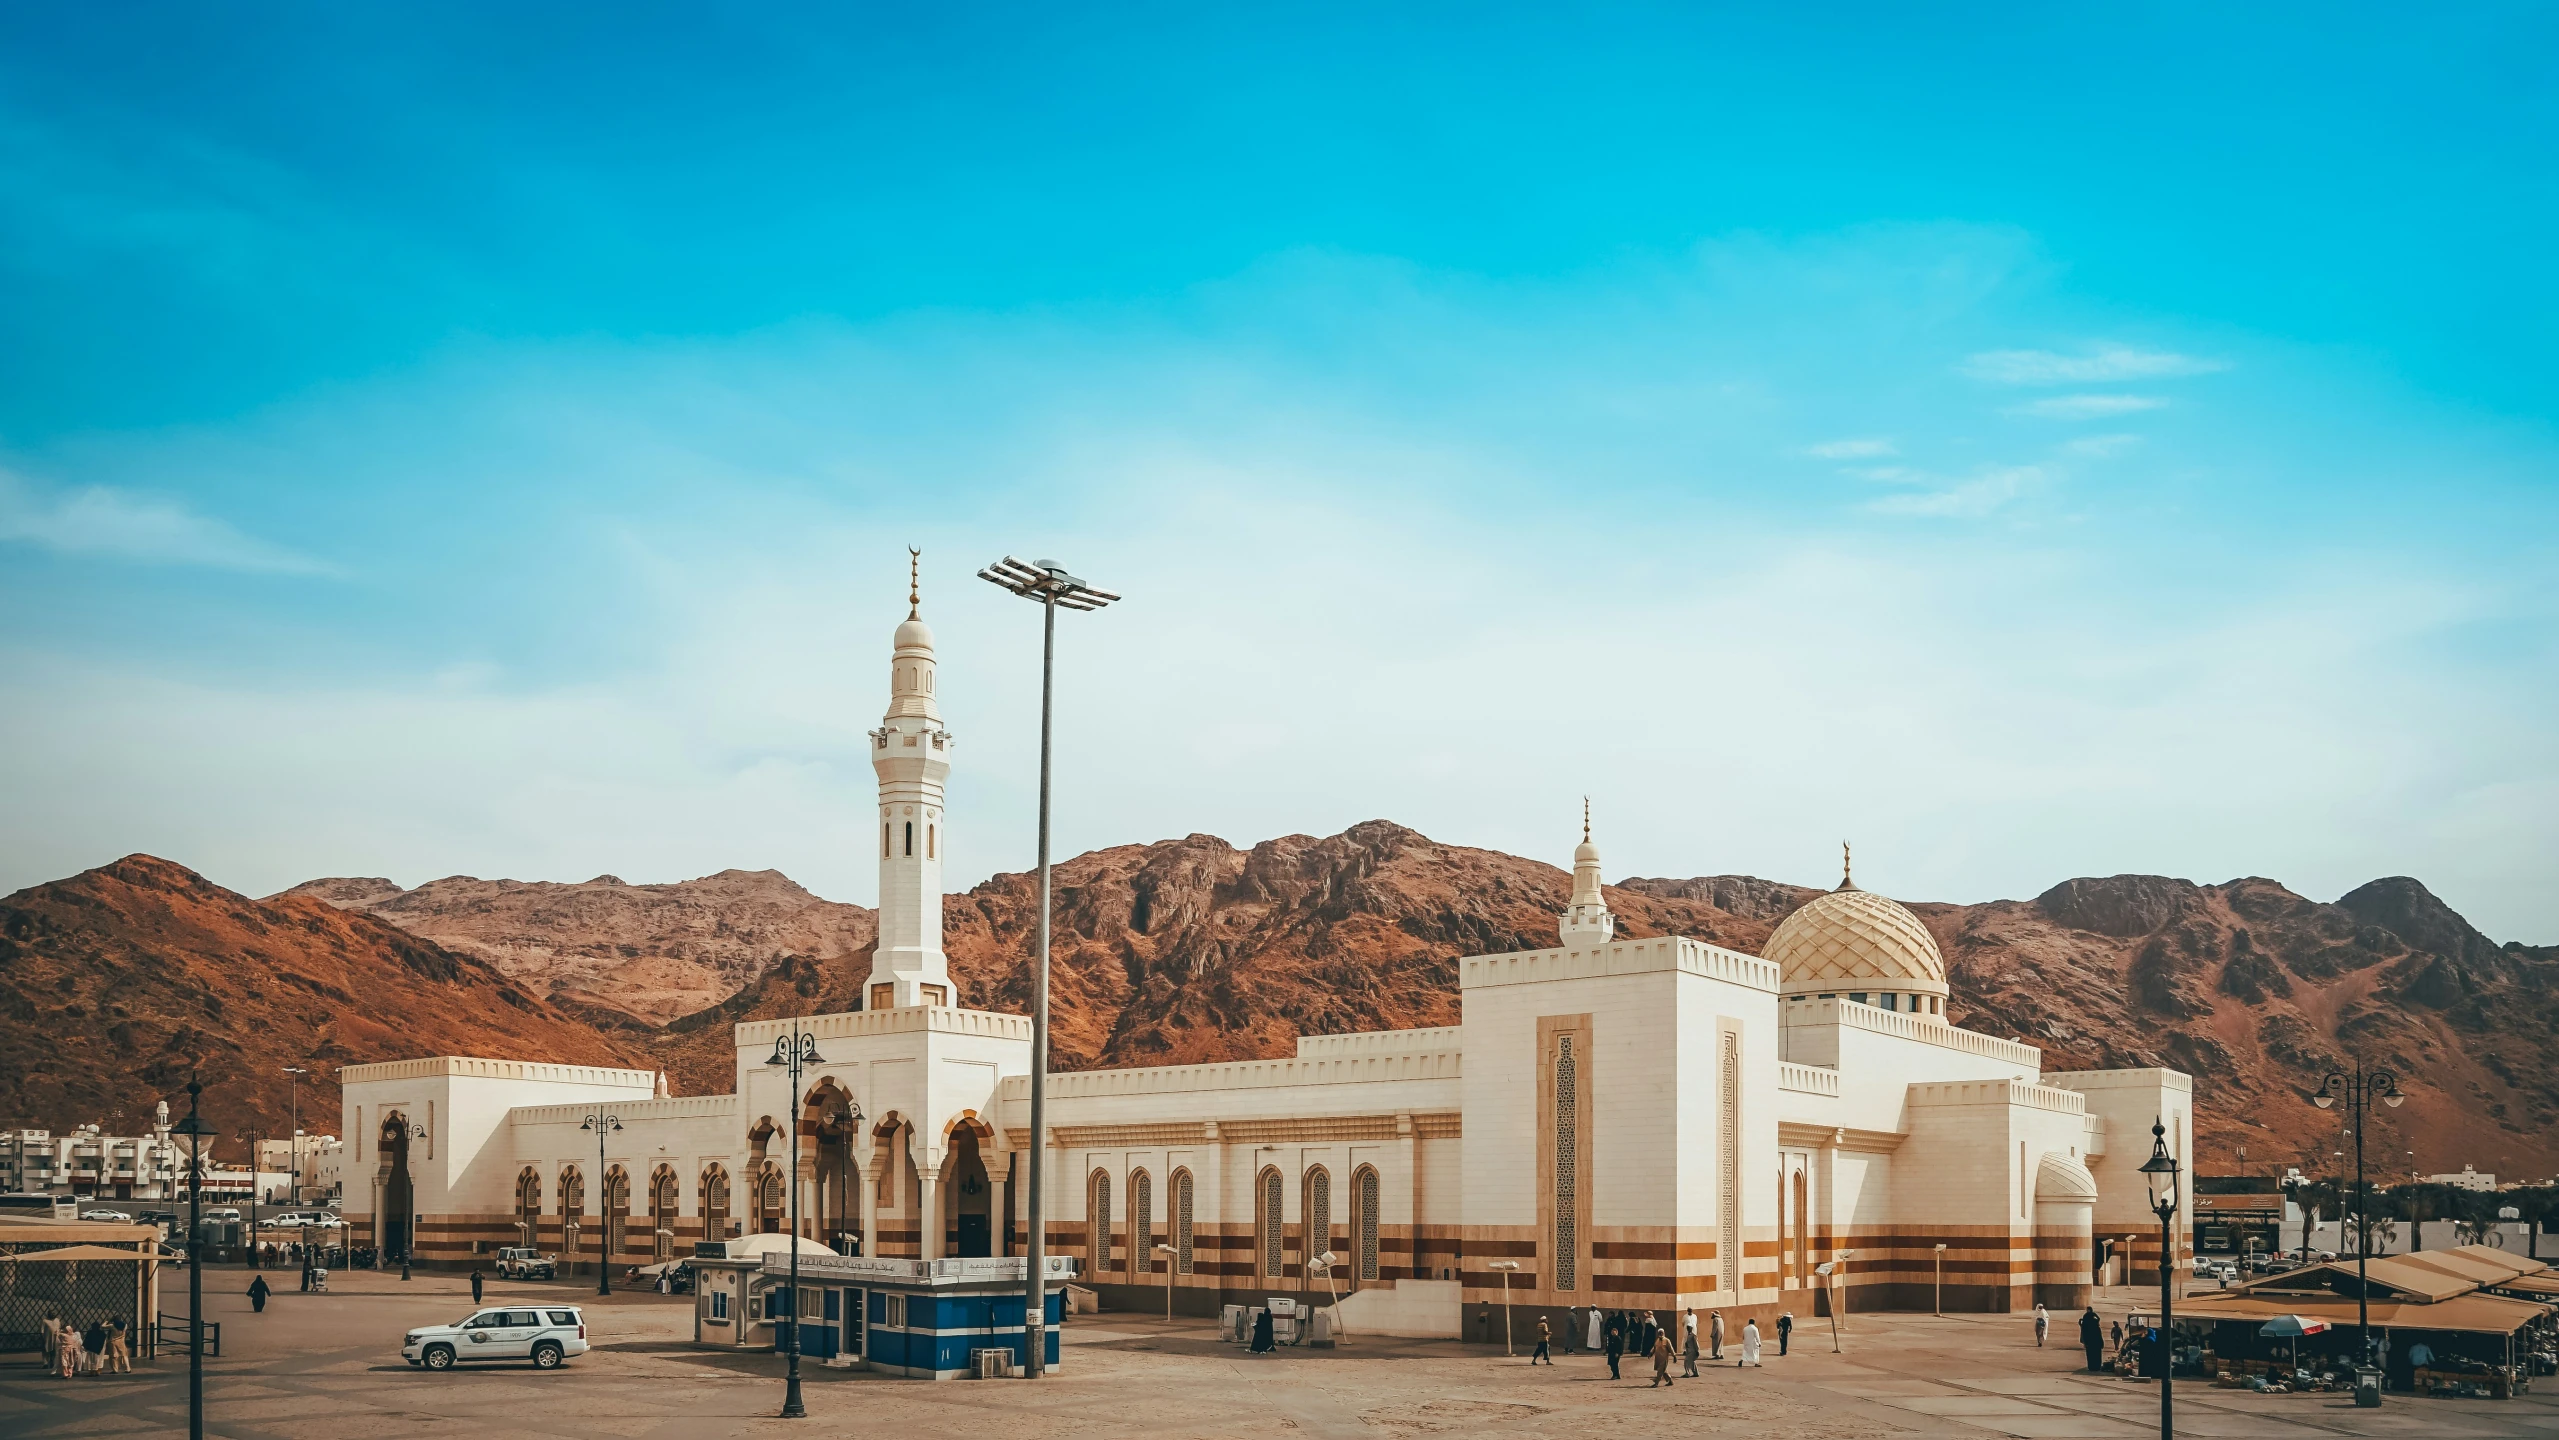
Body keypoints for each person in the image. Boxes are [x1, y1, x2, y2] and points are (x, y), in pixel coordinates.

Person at [2078, 1307, 2105, 1373]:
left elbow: (2083, 1332)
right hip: (2096, 1343)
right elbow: (2099, 1335)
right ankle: (2097, 1367)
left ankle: (2091, 1367)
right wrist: (2101, 1343)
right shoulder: (2096, 1326)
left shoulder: (2086, 1326)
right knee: (2097, 1355)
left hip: (2089, 1343)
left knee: (2090, 1355)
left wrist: (2085, 1342)